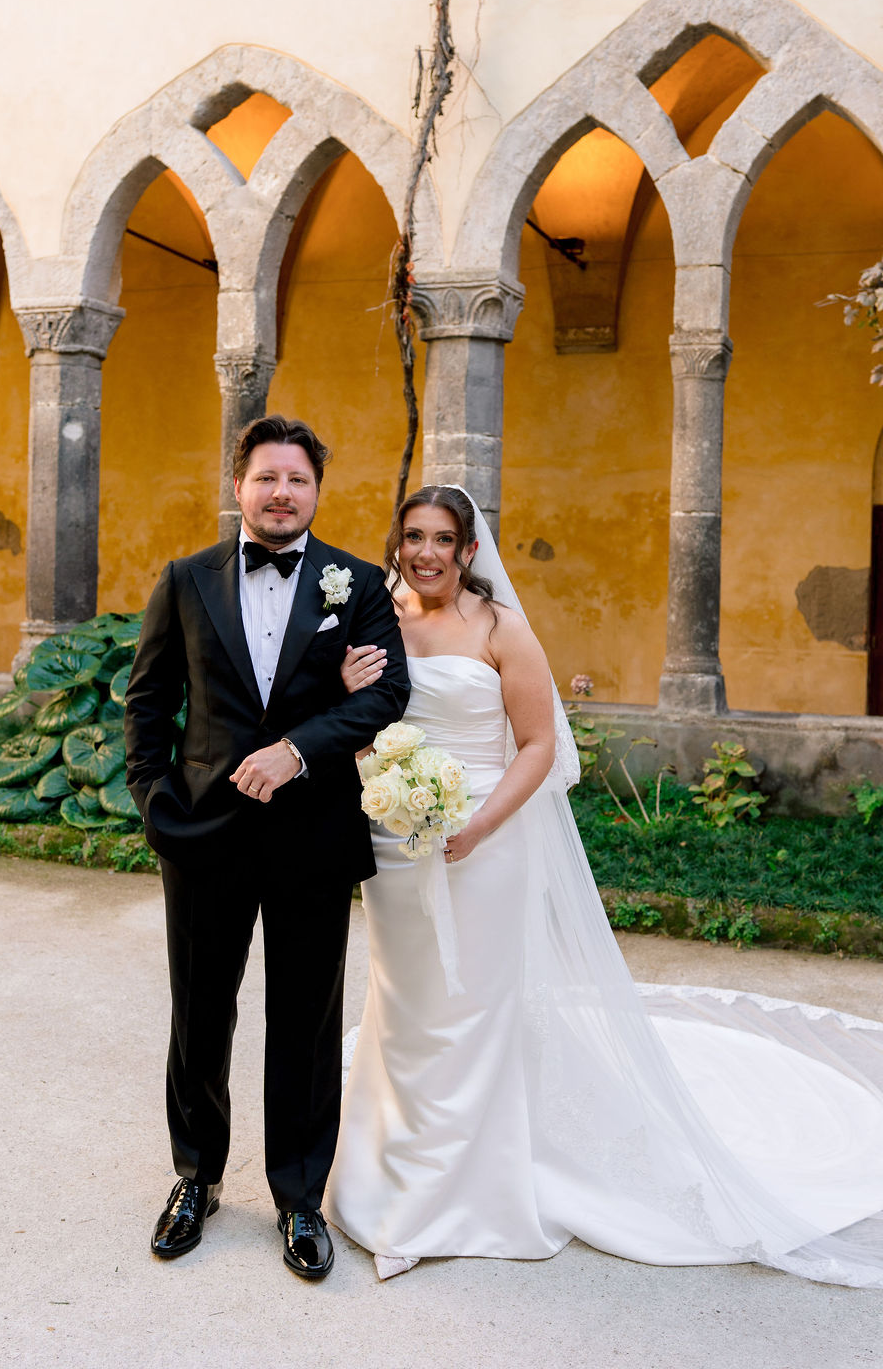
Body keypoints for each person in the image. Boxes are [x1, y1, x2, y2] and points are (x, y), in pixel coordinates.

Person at [324, 484, 883, 1287]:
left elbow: (538, 746)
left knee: (474, 1009)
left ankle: (447, 1199)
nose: (426, 553)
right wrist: (356, 716)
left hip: (486, 840)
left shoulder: (501, 627)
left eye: (443, 539)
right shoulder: (376, 619)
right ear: (397, 542)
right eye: (414, 536)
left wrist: (479, 826)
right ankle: (387, 1178)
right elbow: (359, 726)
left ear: (470, 550)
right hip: (397, 835)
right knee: (405, 1005)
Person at [124, 414, 409, 1279]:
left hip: (314, 835)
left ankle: (298, 1196)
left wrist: (298, 749)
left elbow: (388, 691)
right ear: (238, 485)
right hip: (202, 836)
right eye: (267, 478)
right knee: (199, 1014)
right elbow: (148, 701)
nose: (282, 493)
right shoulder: (185, 581)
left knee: (306, 1023)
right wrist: (154, 803)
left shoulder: (357, 584)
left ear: (316, 491)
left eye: (298, 479)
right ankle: (195, 1179)